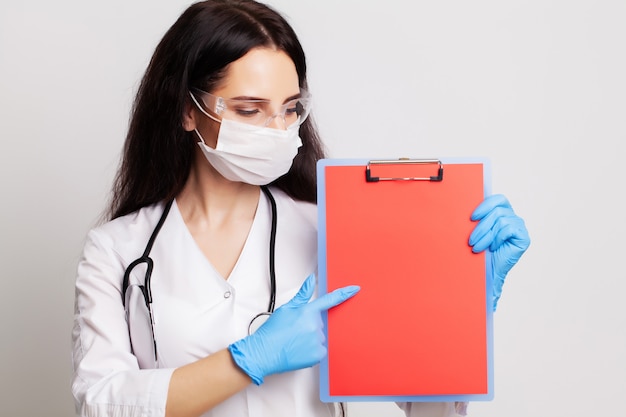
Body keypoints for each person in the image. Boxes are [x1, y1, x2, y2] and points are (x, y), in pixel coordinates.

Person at [70, 1, 531, 416]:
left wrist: (459, 314)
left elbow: (427, 409)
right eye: (250, 111)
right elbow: (101, 403)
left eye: (289, 109)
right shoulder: (118, 250)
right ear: (186, 110)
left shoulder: (330, 228)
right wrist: (248, 359)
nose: (276, 129)